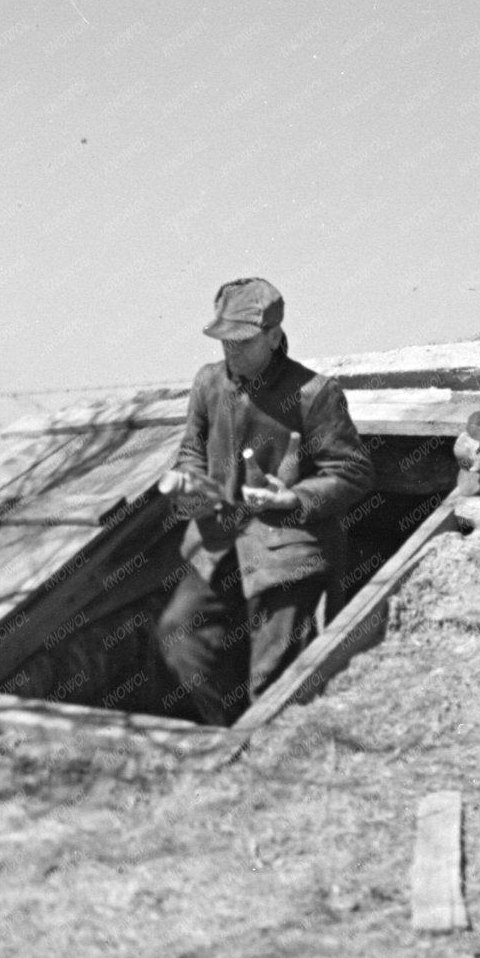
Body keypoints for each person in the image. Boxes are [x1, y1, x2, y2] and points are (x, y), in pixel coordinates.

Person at [155, 277, 374, 726]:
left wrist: (292, 495)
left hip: (288, 546)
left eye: (242, 341)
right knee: (179, 637)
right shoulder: (209, 382)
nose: (229, 351)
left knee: (273, 676)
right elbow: (192, 448)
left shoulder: (315, 393)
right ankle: (232, 733)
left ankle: (267, 745)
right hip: (217, 542)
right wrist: (192, 483)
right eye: (223, 341)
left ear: (274, 338)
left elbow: (353, 473)